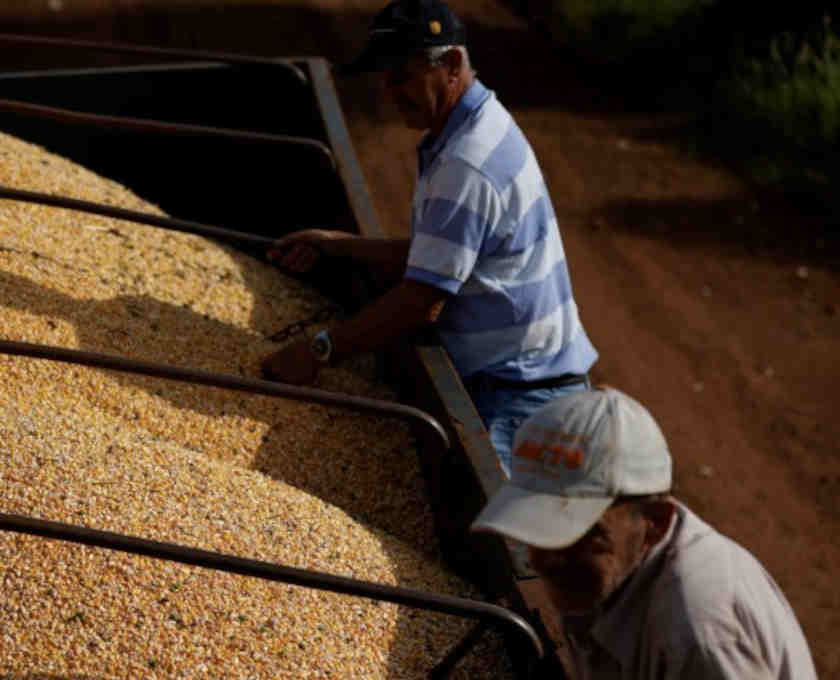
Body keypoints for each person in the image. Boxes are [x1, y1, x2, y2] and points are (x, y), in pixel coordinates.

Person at [260, 0, 597, 476]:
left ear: (452, 65)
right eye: (385, 77)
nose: (390, 92)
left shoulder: (467, 162)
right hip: (531, 382)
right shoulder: (475, 125)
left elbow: (423, 299)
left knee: (509, 540)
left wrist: (320, 350)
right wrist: (339, 244)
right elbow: (443, 259)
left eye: (402, 75)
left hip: (521, 399)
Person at [470, 387, 817, 679]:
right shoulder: (606, 576)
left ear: (654, 521)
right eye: (539, 531)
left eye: (578, 535)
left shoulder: (698, 633)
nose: (544, 559)